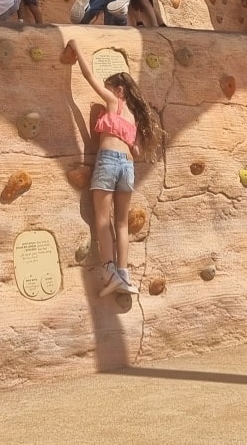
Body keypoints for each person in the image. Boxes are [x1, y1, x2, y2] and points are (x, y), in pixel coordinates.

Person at [62, 39, 163, 298]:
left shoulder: (114, 102)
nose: (104, 92)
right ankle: (124, 272)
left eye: (109, 88)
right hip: (127, 167)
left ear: (119, 90)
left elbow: (88, 76)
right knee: (121, 223)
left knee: (101, 220)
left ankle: (109, 272)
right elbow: (137, 151)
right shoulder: (135, 119)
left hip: (108, 160)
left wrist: (76, 46)